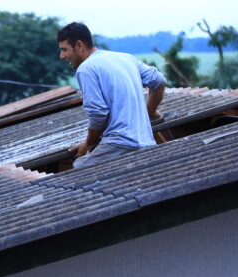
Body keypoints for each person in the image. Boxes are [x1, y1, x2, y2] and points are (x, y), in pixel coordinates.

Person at [57, 22, 167, 168]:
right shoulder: (125, 58)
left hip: (120, 144)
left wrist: (88, 144)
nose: (62, 56)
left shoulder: (86, 69)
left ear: (79, 45)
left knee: (79, 169)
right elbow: (159, 81)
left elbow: (98, 113)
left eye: (64, 50)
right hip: (147, 142)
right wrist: (150, 112)